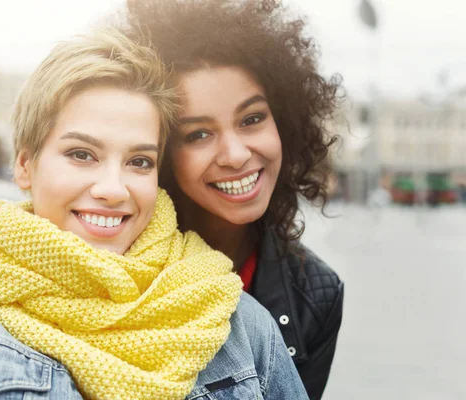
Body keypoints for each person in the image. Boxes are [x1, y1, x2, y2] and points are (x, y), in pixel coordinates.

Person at [0, 29, 308, 400]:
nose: (113, 190)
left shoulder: (238, 326)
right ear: (25, 165)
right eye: (82, 153)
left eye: (139, 162)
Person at [122, 1, 345, 398]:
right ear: (162, 152)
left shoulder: (317, 293)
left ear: (284, 120)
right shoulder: (112, 254)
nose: (236, 154)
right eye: (198, 134)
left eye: (252, 119)